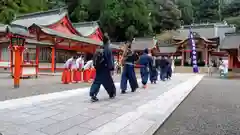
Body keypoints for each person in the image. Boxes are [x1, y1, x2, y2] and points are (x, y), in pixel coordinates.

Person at [89, 33, 116, 102]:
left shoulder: (99, 47)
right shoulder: (108, 48)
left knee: (97, 81)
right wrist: (111, 68)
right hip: (105, 67)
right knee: (108, 81)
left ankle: (92, 94)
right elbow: (109, 59)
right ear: (108, 40)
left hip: (98, 67)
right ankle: (112, 93)